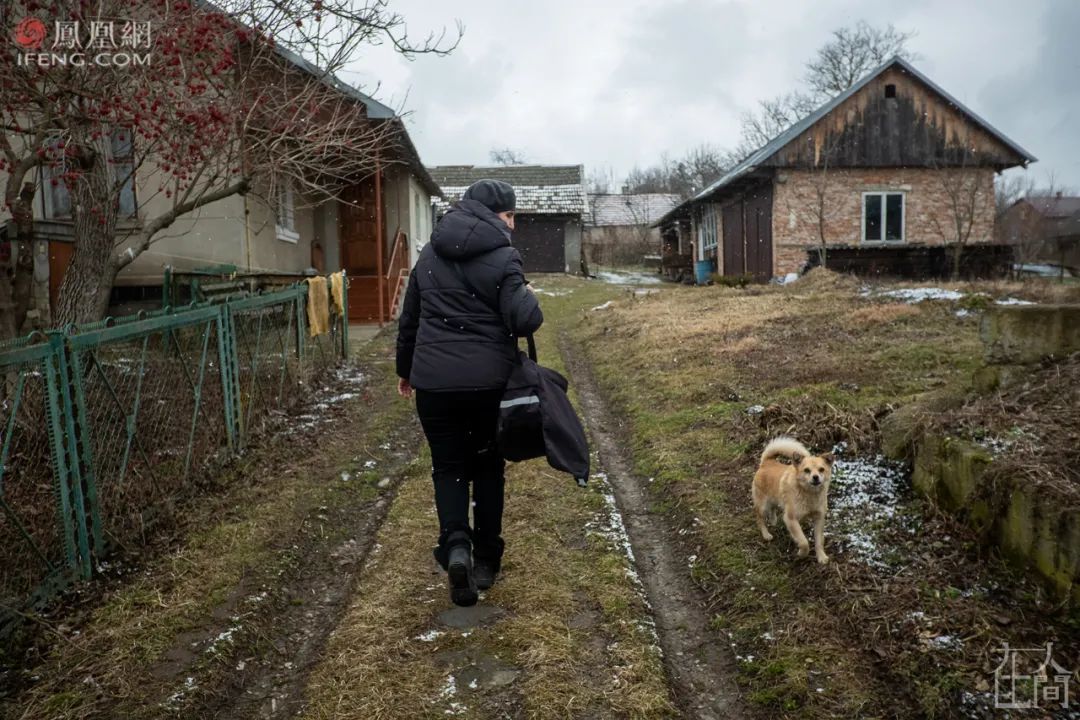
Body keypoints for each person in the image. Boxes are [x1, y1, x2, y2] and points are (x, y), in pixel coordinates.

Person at [396, 179, 543, 607]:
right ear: (496, 216)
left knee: (447, 467)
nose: (514, 225)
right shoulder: (503, 257)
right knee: (487, 467)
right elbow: (525, 319)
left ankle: (456, 545)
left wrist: (406, 371)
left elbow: (410, 322)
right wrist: (527, 295)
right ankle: (486, 560)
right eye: (510, 216)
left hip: (435, 386)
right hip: (487, 385)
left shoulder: (428, 255)